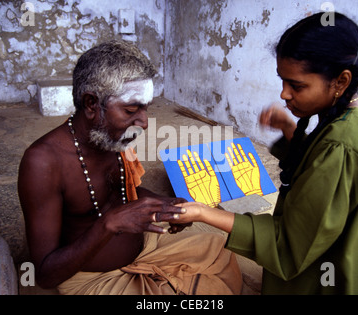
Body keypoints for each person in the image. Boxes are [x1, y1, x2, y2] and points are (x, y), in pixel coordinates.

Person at [172, 12, 358, 294]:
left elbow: (287, 247)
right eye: (282, 81)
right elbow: (317, 168)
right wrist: (289, 129)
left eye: (297, 86)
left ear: (340, 81)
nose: (284, 94)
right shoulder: (356, 117)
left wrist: (203, 213)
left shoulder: (341, 146)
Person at [18, 40, 242, 295]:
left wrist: (164, 204)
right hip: (93, 278)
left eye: (146, 107)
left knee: (223, 247)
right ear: (92, 104)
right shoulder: (42, 162)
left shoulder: (113, 137)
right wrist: (108, 225)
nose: (144, 122)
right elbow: (46, 274)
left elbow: (123, 194)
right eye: (131, 109)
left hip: (146, 247)